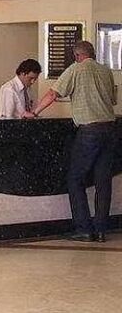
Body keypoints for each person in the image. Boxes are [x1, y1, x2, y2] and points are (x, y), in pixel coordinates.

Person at [23, 41, 116, 242]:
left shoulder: (76, 69)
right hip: (110, 130)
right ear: (92, 54)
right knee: (103, 182)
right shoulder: (106, 71)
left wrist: (34, 112)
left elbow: (52, 94)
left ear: (77, 56)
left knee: (75, 179)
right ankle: (101, 230)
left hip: (89, 130)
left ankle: (84, 229)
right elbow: (112, 100)